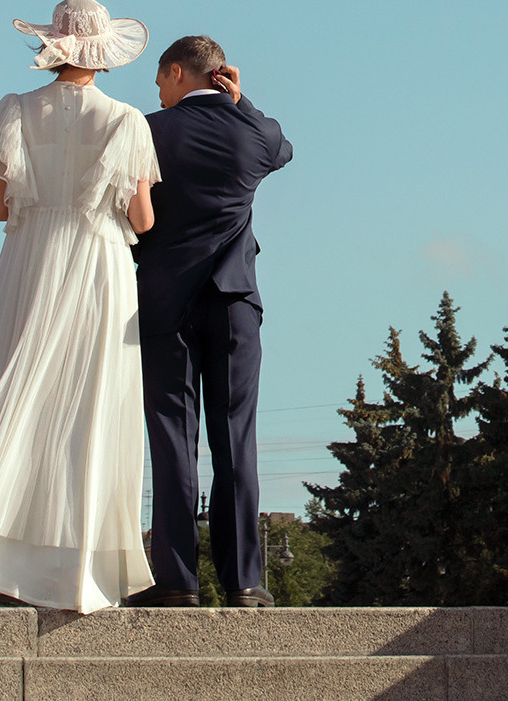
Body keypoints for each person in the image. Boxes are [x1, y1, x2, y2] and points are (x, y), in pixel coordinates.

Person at [0, 0, 160, 613]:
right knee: (88, 404)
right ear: (102, 52)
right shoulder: (128, 120)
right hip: (98, 261)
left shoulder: (15, 109)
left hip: (29, 258)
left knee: (13, 386)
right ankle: (75, 572)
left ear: (52, 45)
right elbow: (142, 219)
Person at [125, 36, 293, 607]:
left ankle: (176, 582)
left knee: (173, 438)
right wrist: (241, 102)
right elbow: (283, 149)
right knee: (235, 437)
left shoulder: (146, 131)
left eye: (159, 80)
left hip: (164, 302)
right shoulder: (254, 133)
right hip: (234, 301)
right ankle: (244, 581)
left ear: (177, 72)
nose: (157, 92)